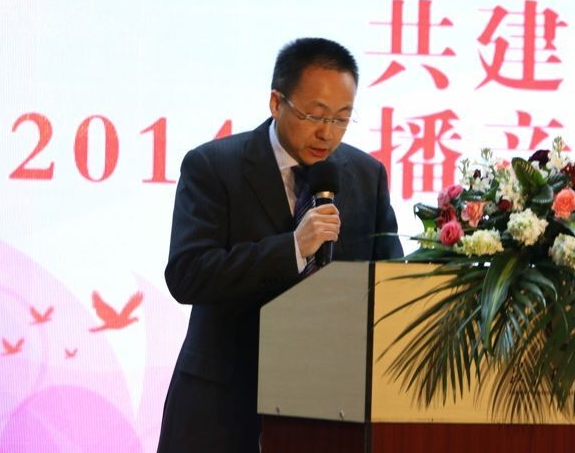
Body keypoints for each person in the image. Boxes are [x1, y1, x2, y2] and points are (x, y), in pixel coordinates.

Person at [157, 37, 404, 452]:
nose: (327, 132)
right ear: (276, 102)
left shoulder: (366, 175)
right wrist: (292, 248)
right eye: (314, 115)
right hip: (222, 406)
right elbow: (188, 274)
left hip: (330, 410)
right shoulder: (213, 166)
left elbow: (388, 281)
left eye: (342, 118)